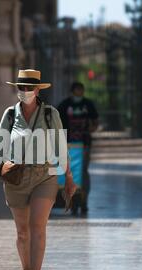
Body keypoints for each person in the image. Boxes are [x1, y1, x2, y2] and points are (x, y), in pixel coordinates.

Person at [0, 69, 76, 270]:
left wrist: (68, 176)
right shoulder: (9, 114)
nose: (25, 91)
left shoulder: (50, 114)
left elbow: (60, 146)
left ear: (38, 90)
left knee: (38, 227)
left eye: (29, 88)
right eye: (21, 87)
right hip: (16, 177)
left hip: (44, 176)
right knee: (22, 232)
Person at [57, 82, 98, 216]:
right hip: (69, 145)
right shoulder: (64, 105)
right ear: (72, 91)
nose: (79, 93)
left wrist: (91, 128)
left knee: (83, 172)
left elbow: (95, 121)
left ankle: (84, 201)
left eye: (81, 90)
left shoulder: (88, 104)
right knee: (71, 173)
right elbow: (57, 123)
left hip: (84, 145)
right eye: (77, 90)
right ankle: (73, 201)